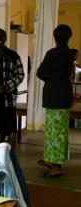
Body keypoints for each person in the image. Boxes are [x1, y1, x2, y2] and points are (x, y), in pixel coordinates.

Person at [37, 24, 74, 178]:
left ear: (54, 36)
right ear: (68, 37)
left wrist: (51, 80)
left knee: (53, 132)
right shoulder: (70, 54)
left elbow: (40, 72)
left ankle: (55, 166)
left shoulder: (52, 53)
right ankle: (54, 161)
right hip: (64, 95)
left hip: (53, 95)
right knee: (61, 131)